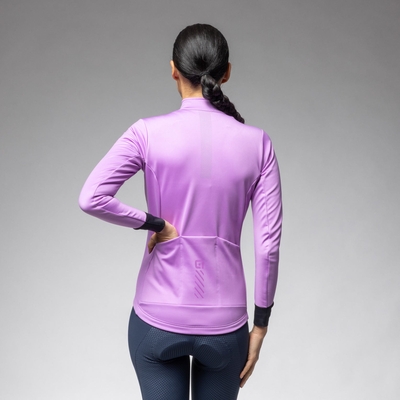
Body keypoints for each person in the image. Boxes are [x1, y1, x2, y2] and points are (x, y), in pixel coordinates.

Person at [79, 23, 282, 400]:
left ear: (173, 69)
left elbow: (92, 197)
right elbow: (267, 246)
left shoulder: (145, 133)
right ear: (226, 73)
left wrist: (154, 223)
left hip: (156, 318)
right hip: (226, 324)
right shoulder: (258, 144)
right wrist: (261, 325)